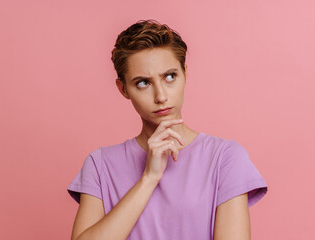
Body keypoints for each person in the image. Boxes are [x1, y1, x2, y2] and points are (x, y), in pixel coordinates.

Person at [67, 19, 268, 240]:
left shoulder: (225, 158)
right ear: (123, 89)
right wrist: (149, 178)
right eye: (143, 83)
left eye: (170, 76)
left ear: (185, 74)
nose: (161, 97)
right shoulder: (100, 165)